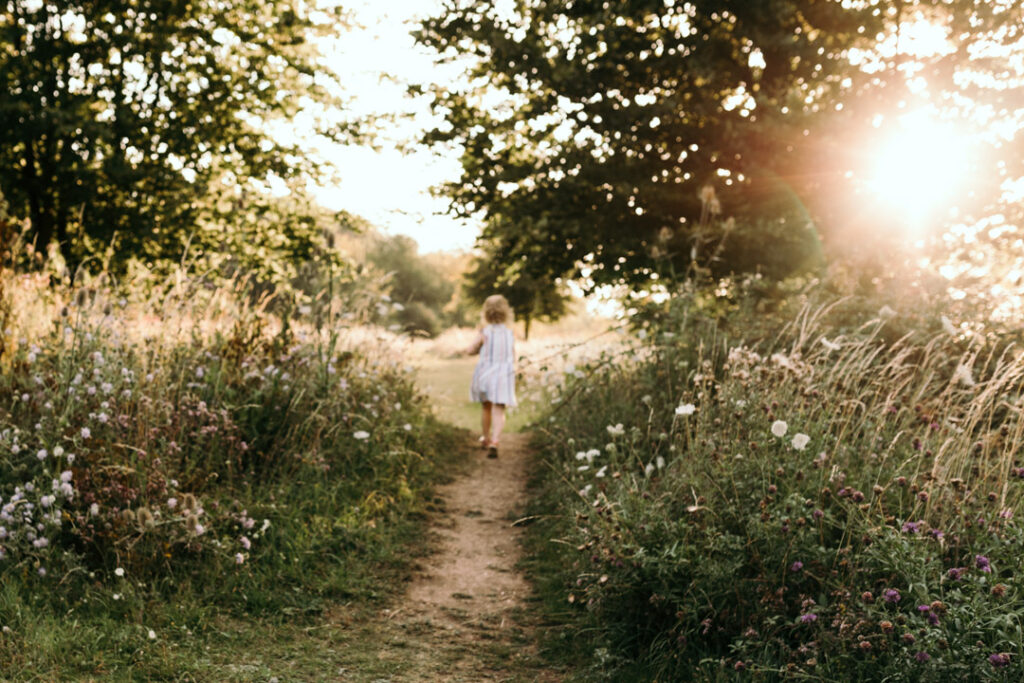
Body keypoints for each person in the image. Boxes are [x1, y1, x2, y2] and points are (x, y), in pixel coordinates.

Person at [464, 294, 516, 458]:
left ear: (486, 312)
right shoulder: (510, 334)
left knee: (486, 406)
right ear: (506, 312)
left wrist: (475, 349)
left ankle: (485, 438)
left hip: (486, 373)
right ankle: (495, 440)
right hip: (504, 375)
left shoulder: (484, 332)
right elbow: (513, 355)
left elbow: (470, 350)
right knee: (499, 408)